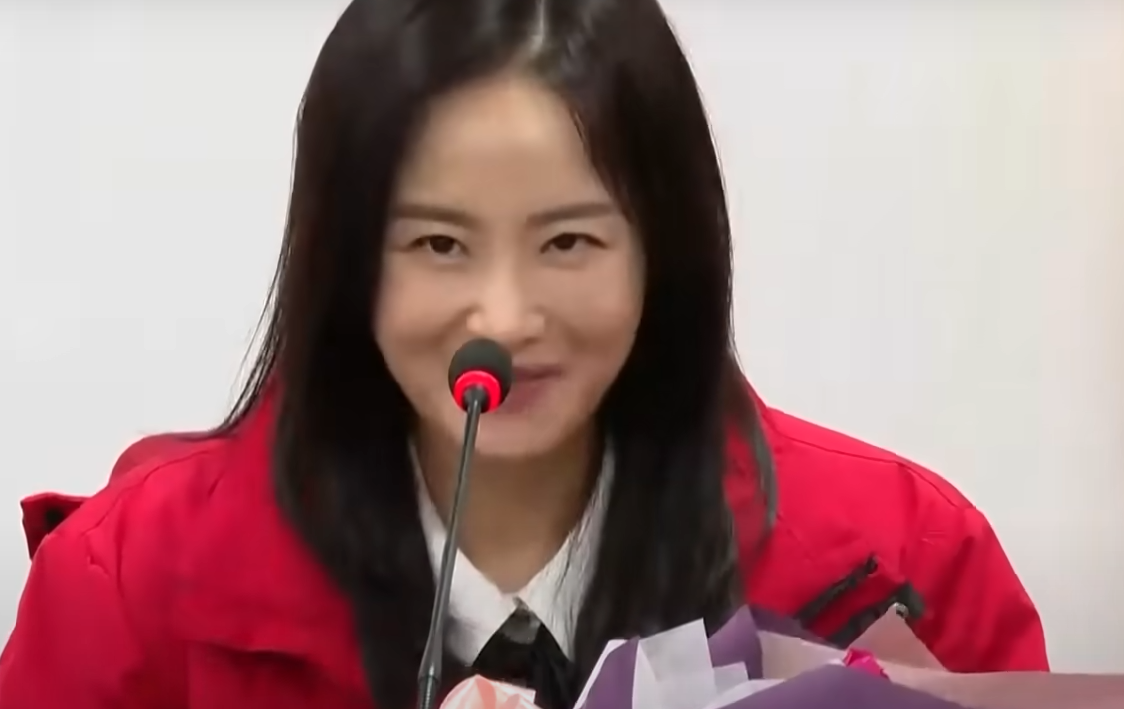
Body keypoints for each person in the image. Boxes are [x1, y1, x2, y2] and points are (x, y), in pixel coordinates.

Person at [0, 0, 1048, 707]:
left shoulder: (905, 559)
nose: (502, 317)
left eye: (568, 243)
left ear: (664, 252)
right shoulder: (130, 587)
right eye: (437, 245)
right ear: (344, 259)